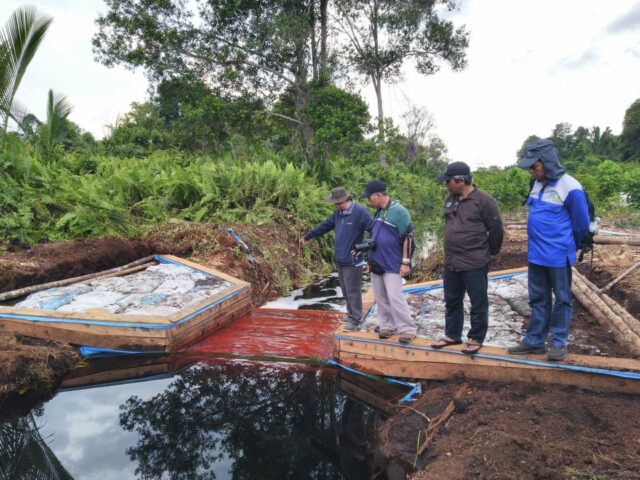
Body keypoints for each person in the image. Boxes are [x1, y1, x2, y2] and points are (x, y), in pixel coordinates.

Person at [508, 139, 590, 361]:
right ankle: (534, 342)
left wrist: (566, 245)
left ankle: (558, 343)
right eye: (530, 168)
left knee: (562, 299)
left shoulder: (570, 187)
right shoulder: (536, 185)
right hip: (536, 254)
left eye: (534, 166)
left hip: (558, 255)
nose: (532, 172)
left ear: (548, 162)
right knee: (538, 298)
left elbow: (581, 224)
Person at [431, 162, 504, 355]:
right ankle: (452, 334)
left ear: (461, 181)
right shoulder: (450, 200)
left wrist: (491, 252)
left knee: (478, 301)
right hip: (452, 261)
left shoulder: (484, 201)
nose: (446, 185)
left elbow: (496, 229)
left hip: (475, 261)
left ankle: (475, 337)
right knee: (452, 300)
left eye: (448, 181)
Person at [302, 187, 374, 331]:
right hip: (340, 259)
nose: (335, 206)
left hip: (353, 261)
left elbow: (374, 231)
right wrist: (308, 236)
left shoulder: (359, 212)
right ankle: (351, 313)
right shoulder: (338, 214)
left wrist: (363, 248)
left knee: (353, 290)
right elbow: (324, 226)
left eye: (336, 203)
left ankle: (356, 319)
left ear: (343, 201)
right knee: (346, 290)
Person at [360, 180, 417, 343]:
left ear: (378, 195)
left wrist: (405, 263)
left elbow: (408, 237)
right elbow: (375, 235)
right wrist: (369, 261)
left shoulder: (399, 211)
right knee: (380, 296)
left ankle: (407, 328)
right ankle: (387, 325)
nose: (369, 201)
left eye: (370, 198)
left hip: (392, 262)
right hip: (377, 260)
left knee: (394, 296)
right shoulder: (379, 211)